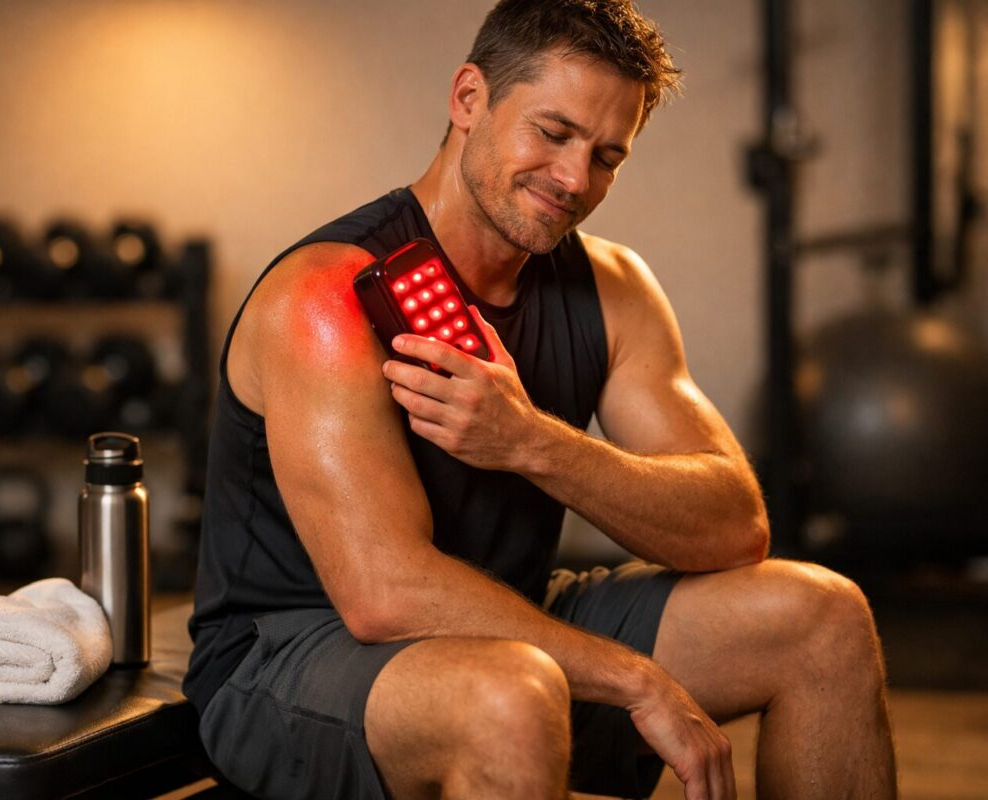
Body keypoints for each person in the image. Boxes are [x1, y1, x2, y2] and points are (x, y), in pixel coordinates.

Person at [184, 1, 898, 798]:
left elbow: (736, 527)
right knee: (513, 694)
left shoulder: (614, 287)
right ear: (468, 100)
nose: (574, 180)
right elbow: (384, 594)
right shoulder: (322, 298)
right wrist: (635, 680)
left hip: (510, 615)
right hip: (293, 654)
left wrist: (532, 442)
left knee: (823, 618)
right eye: (553, 133)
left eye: (606, 156)